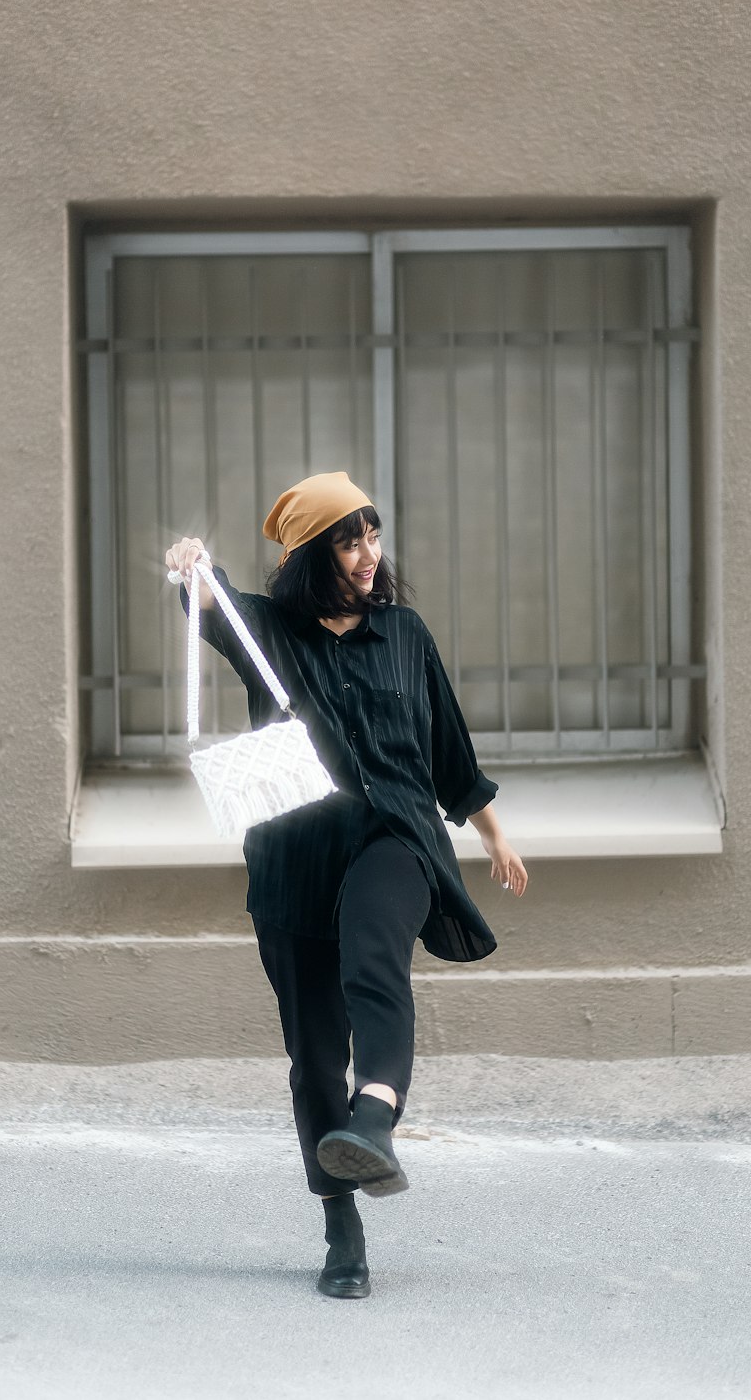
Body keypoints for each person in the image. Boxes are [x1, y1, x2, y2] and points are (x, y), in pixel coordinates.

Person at [166, 470, 527, 1301]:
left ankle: (373, 1122)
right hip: (294, 861)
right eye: (347, 540)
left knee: (375, 961)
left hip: (394, 838)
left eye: (371, 535)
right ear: (308, 555)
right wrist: (187, 564)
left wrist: (496, 835)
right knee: (313, 1058)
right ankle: (342, 1228)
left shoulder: (403, 633)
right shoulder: (268, 629)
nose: (368, 555)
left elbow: (450, 756)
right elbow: (207, 600)